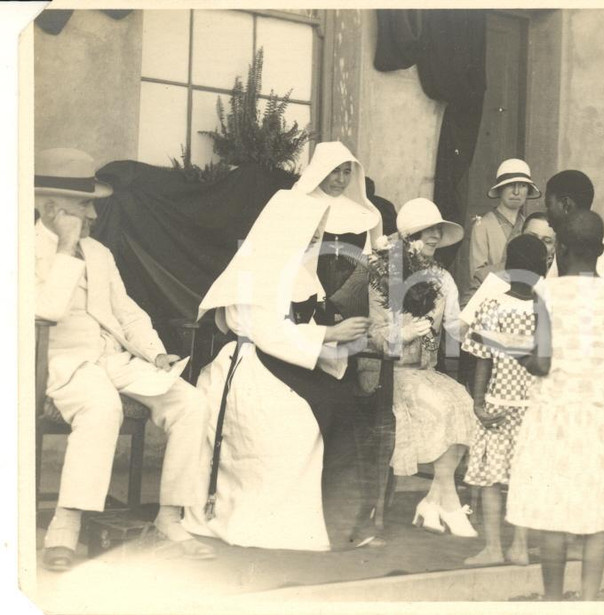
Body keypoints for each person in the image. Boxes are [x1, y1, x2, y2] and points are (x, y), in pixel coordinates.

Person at [184, 142, 383, 551]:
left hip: (289, 360)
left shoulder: (301, 270)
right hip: (253, 364)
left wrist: (338, 327)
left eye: (315, 232)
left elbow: (304, 319)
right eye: (306, 232)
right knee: (305, 417)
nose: (312, 238)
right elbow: (262, 329)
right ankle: (318, 522)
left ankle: (344, 522)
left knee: (345, 406)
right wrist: (329, 336)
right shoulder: (258, 267)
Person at [34, 148, 214, 571]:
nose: (94, 215)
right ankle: (65, 527)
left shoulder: (98, 254)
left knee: (192, 403)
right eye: (84, 204)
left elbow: (127, 312)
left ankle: (170, 516)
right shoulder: (22, 248)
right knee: (102, 407)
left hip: (113, 360)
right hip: (60, 362)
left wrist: (155, 352)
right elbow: (45, 312)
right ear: (52, 206)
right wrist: (63, 248)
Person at [506, 210, 604, 600]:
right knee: (595, 517)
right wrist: (598, 364)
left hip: (555, 419)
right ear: (601, 250)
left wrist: (520, 356)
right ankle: (588, 602)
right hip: (600, 420)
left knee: (554, 516)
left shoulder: (547, 294)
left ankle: (552, 601)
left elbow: (543, 361)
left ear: (560, 250)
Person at [368, 198, 479, 537]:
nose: (433, 237)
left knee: (464, 404)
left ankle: (434, 500)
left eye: (436, 231)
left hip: (425, 371)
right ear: (407, 237)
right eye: (425, 232)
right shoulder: (381, 273)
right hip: (392, 373)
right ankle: (448, 503)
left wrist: (478, 327)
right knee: (442, 407)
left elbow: (455, 326)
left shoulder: (442, 278)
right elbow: (373, 334)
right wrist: (405, 332)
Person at [461, 235, 549, 567]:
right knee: (524, 479)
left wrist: (479, 403)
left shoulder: (492, 306)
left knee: (492, 480)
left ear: (508, 268)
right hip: (535, 409)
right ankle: (521, 548)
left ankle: (494, 548)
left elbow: (482, 359)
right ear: (543, 268)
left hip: (498, 404)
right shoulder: (546, 309)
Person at [464, 158, 541, 305]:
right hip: (491, 300)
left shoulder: (528, 225)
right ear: (500, 189)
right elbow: (477, 275)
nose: (517, 192)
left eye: (523, 185)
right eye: (511, 185)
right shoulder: (483, 225)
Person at [543, 170, 604, 281]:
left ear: (566, 205)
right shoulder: (563, 245)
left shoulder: (600, 255)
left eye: (548, 205)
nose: (547, 215)